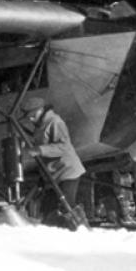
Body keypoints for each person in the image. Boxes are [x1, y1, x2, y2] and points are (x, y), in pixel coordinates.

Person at [20, 95, 86, 227]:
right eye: (29, 117)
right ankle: (54, 233)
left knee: (67, 206)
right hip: (54, 174)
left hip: (68, 171)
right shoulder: (40, 125)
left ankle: (80, 230)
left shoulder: (55, 122)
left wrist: (40, 150)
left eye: (33, 115)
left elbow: (64, 147)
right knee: (48, 209)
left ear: (41, 110)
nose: (31, 119)